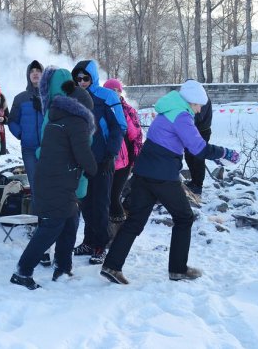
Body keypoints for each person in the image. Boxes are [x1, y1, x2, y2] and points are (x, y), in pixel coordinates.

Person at [101, 80, 240, 285]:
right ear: (192, 101)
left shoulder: (167, 110)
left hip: (143, 172)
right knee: (184, 218)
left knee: (135, 221)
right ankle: (178, 269)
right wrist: (225, 153)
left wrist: (216, 156)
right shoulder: (182, 115)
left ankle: (112, 265)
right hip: (163, 176)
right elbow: (198, 148)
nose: (200, 109)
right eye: (199, 104)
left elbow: (185, 143)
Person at [11, 70, 97, 290]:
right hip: (58, 182)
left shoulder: (55, 117)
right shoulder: (77, 123)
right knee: (51, 228)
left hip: (52, 179)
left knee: (69, 224)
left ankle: (63, 267)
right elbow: (83, 154)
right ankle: (23, 271)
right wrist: (93, 169)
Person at [71, 60, 127, 265]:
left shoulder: (107, 96)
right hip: (82, 159)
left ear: (92, 77)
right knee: (85, 202)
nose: (82, 82)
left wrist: (110, 154)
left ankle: (101, 245)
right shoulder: (74, 97)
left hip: (103, 159)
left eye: (85, 78)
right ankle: (89, 240)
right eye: (78, 78)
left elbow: (119, 126)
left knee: (101, 204)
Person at [103, 78, 143, 223]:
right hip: (106, 156)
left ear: (120, 92)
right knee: (106, 195)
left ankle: (119, 227)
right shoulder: (101, 108)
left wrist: (136, 157)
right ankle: (110, 226)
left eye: (115, 90)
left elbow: (136, 135)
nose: (112, 93)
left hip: (126, 159)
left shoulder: (128, 110)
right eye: (108, 91)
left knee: (114, 195)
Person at [8, 60, 44, 210]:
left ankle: (49, 220)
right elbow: (12, 121)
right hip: (29, 148)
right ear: (28, 75)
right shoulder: (20, 98)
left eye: (38, 70)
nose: (35, 73)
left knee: (48, 184)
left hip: (48, 147)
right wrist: (22, 134)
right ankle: (38, 222)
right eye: (32, 71)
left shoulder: (50, 96)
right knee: (35, 185)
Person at [184, 96, 212, 195]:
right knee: (188, 157)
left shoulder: (202, 99)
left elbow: (198, 116)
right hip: (191, 132)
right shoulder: (191, 99)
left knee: (198, 159)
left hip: (202, 132)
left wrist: (183, 119)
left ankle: (198, 185)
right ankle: (193, 181)